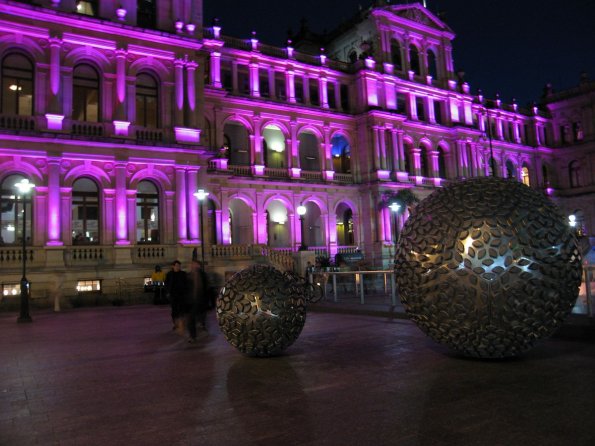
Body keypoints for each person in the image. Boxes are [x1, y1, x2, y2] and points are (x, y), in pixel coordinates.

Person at [186, 260, 209, 343]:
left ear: (199, 266)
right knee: (190, 319)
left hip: (201, 301)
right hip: (191, 301)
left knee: (201, 317)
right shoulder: (188, 276)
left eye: (195, 264)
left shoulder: (203, 275)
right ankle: (192, 336)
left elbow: (207, 288)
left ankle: (201, 325)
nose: (193, 266)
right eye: (192, 264)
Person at [164, 260, 188, 333]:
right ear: (173, 266)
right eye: (177, 266)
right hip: (173, 295)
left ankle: (182, 323)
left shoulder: (183, 274)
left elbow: (186, 283)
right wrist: (168, 292)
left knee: (182, 310)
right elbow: (166, 284)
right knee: (174, 310)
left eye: (179, 266)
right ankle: (175, 323)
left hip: (182, 295)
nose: (178, 267)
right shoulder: (169, 274)